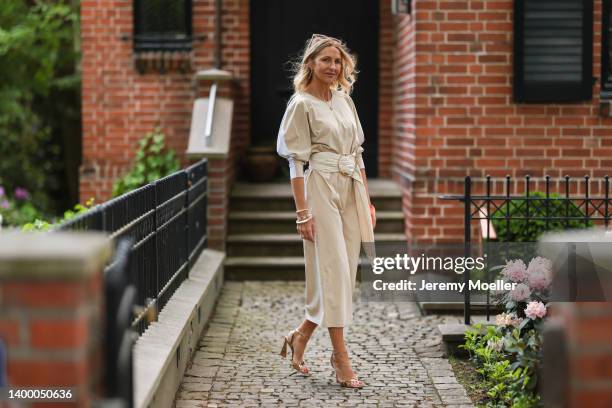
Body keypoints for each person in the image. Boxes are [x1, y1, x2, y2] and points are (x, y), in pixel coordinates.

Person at [276, 33, 376, 389]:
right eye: (326, 61)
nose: (333, 67)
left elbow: (358, 151)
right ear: (310, 65)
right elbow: (296, 163)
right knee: (332, 270)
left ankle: (301, 334)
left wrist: (366, 198)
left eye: (337, 61)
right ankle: (340, 356)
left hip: (351, 185)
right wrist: (302, 212)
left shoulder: (345, 101)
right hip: (320, 186)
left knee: (344, 273)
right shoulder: (301, 104)